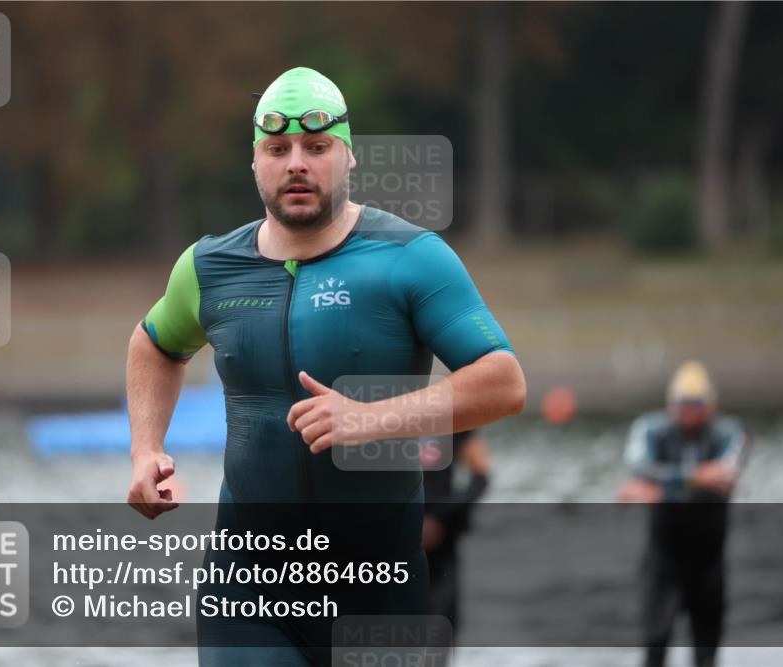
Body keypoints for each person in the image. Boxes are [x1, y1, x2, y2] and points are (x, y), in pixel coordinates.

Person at [125, 66, 526, 666]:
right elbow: (155, 344)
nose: (296, 164)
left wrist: (371, 419)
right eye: (277, 149)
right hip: (249, 592)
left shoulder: (410, 258)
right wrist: (145, 448)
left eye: (316, 148)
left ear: (347, 156)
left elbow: (504, 382)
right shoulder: (209, 267)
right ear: (255, 161)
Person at [618, 360, 750, 667]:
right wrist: (695, 477)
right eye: (682, 404)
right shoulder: (651, 428)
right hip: (664, 557)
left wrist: (660, 489)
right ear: (670, 404)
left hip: (709, 560)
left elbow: (725, 477)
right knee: (655, 644)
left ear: (712, 404)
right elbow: (637, 468)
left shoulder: (731, 432)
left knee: (706, 653)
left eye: (697, 403)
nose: (689, 411)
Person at [421, 429, 491, 663]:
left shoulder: (450, 417)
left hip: (441, 548)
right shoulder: (377, 412)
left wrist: (441, 517)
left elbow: (481, 475)